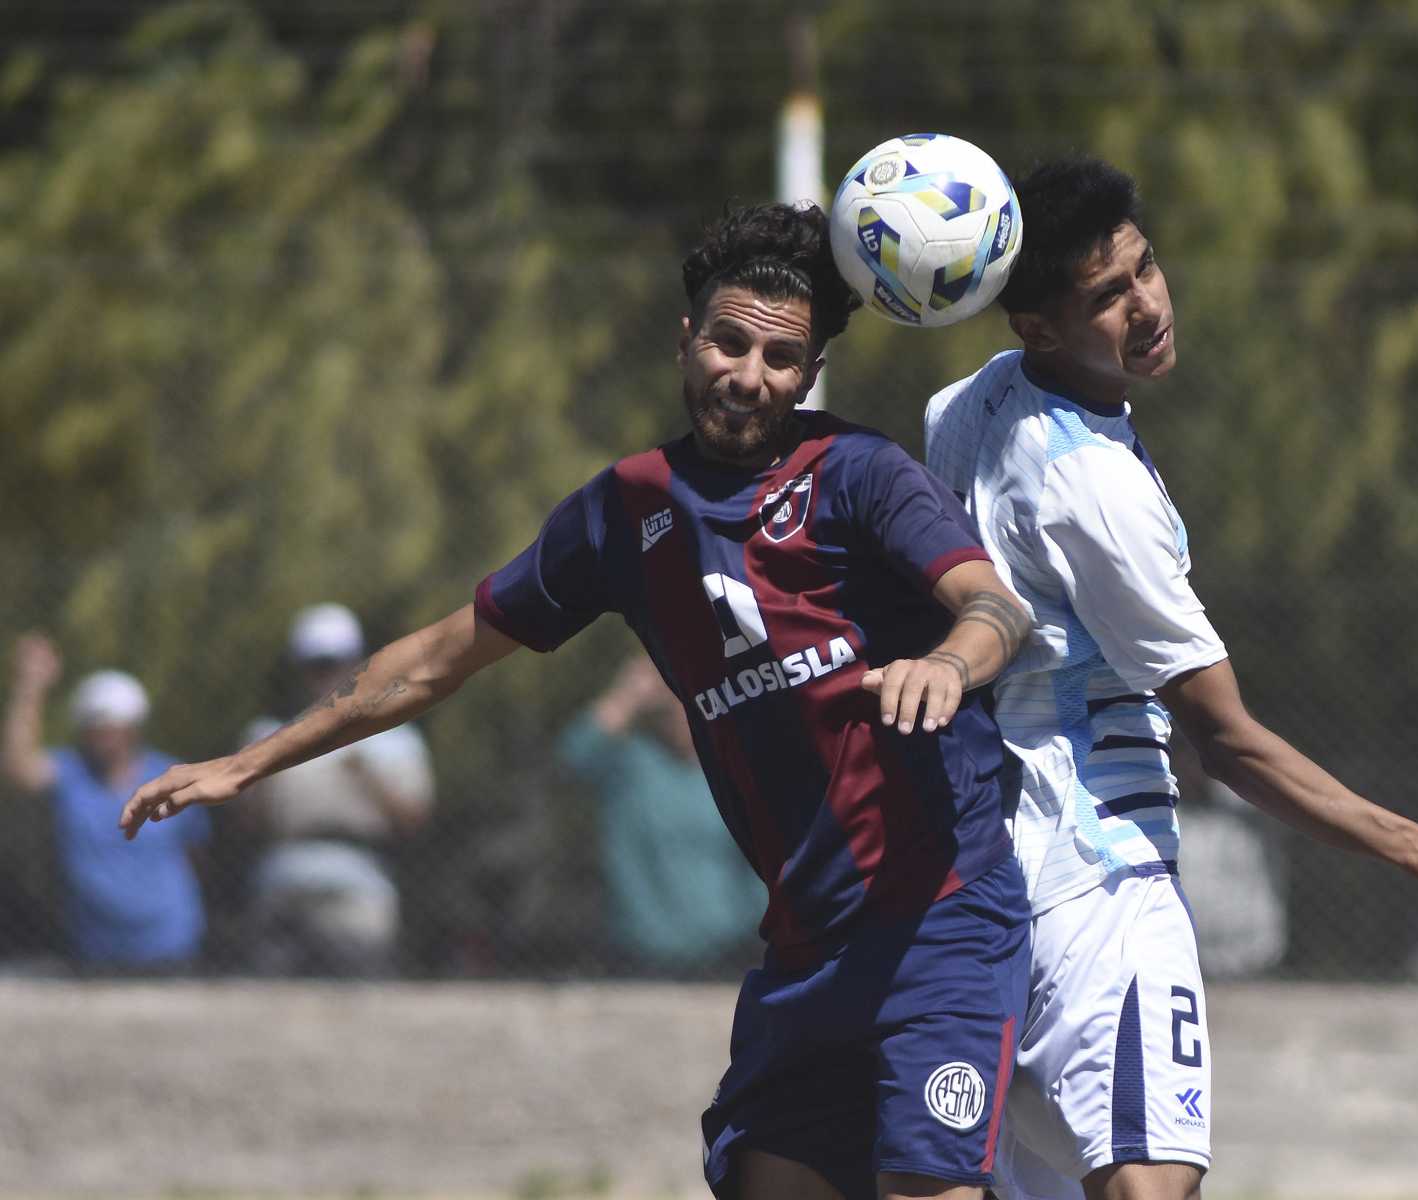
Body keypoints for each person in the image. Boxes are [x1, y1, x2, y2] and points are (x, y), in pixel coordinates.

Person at [119, 202, 1038, 1200]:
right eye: (729, 342)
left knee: (927, 1189)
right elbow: (431, 662)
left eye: (782, 358)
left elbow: (992, 605)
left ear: (809, 372)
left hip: (938, 918)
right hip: (806, 948)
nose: (749, 374)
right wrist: (246, 762)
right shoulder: (625, 511)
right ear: (687, 339)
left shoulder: (859, 476)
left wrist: (950, 661)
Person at [923, 157, 1418, 1200]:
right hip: (1102, 883)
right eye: (1106, 298)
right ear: (1035, 326)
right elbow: (1228, 740)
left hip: (986, 883)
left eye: (1146, 269)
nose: (1148, 305)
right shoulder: (1095, 490)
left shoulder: (960, 406)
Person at [238, 603, 435, 976]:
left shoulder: (392, 738)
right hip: (284, 871)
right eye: (317, 665)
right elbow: (246, 825)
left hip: (359, 873)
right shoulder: (265, 734)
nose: (327, 676)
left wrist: (368, 777)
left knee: (360, 980)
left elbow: (414, 820)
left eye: (336, 664)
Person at [2, 633, 209, 970]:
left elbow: (198, 855)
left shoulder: (170, 776)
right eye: (96, 728)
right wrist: (30, 687)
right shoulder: (70, 774)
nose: (106, 737)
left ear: (133, 728)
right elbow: (18, 768)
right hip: (95, 949)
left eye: (114, 727)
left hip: (171, 944)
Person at [556, 652, 763, 975]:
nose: (686, 714)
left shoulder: (735, 773)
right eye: (676, 703)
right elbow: (575, 756)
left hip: (730, 954)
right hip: (644, 955)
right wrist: (628, 695)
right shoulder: (634, 766)